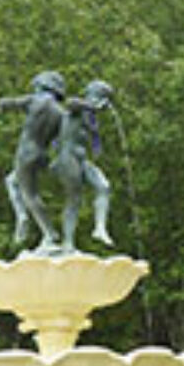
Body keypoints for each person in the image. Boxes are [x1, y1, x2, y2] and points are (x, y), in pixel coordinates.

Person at [0, 71, 66, 253]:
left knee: (30, 194)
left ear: (43, 85)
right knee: (11, 181)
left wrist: (2, 104)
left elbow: (10, 103)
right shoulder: (61, 113)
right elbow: (61, 142)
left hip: (26, 152)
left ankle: (48, 233)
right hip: (42, 154)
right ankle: (21, 214)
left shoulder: (34, 100)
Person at [51, 80, 116, 254]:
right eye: (103, 96)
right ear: (94, 94)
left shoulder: (90, 117)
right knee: (74, 200)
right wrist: (92, 106)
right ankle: (68, 243)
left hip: (81, 159)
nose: (106, 101)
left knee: (104, 186)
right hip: (67, 157)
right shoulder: (78, 109)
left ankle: (100, 228)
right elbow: (70, 102)